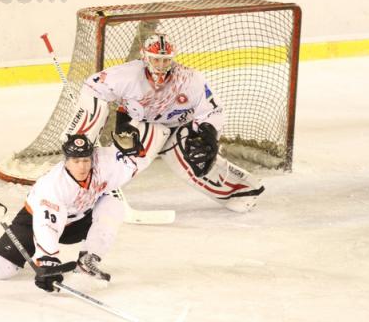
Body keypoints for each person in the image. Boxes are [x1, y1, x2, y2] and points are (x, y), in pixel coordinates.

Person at [71, 33, 265, 213]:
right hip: (141, 126)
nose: (161, 65)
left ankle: (243, 189)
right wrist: (85, 132)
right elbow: (93, 87)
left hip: (178, 127)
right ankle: (84, 189)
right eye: (156, 59)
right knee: (129, 159)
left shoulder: (189, 79)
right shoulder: (127, 75)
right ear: (145, 57)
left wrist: (208, 136)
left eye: (166, 60)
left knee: (196, 160)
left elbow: (212, 110)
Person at [0, 134, 148, 291]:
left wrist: (135, 150)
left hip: (77, 222)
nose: (82, 166)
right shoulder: (53, 185)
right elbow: (47, 226)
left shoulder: (102, 163)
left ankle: (87, 261)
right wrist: (48, 261)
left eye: (85, 160)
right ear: (66, 161)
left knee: (113, 202)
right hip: (34, 222)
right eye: (76, 161)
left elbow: (133, 162)